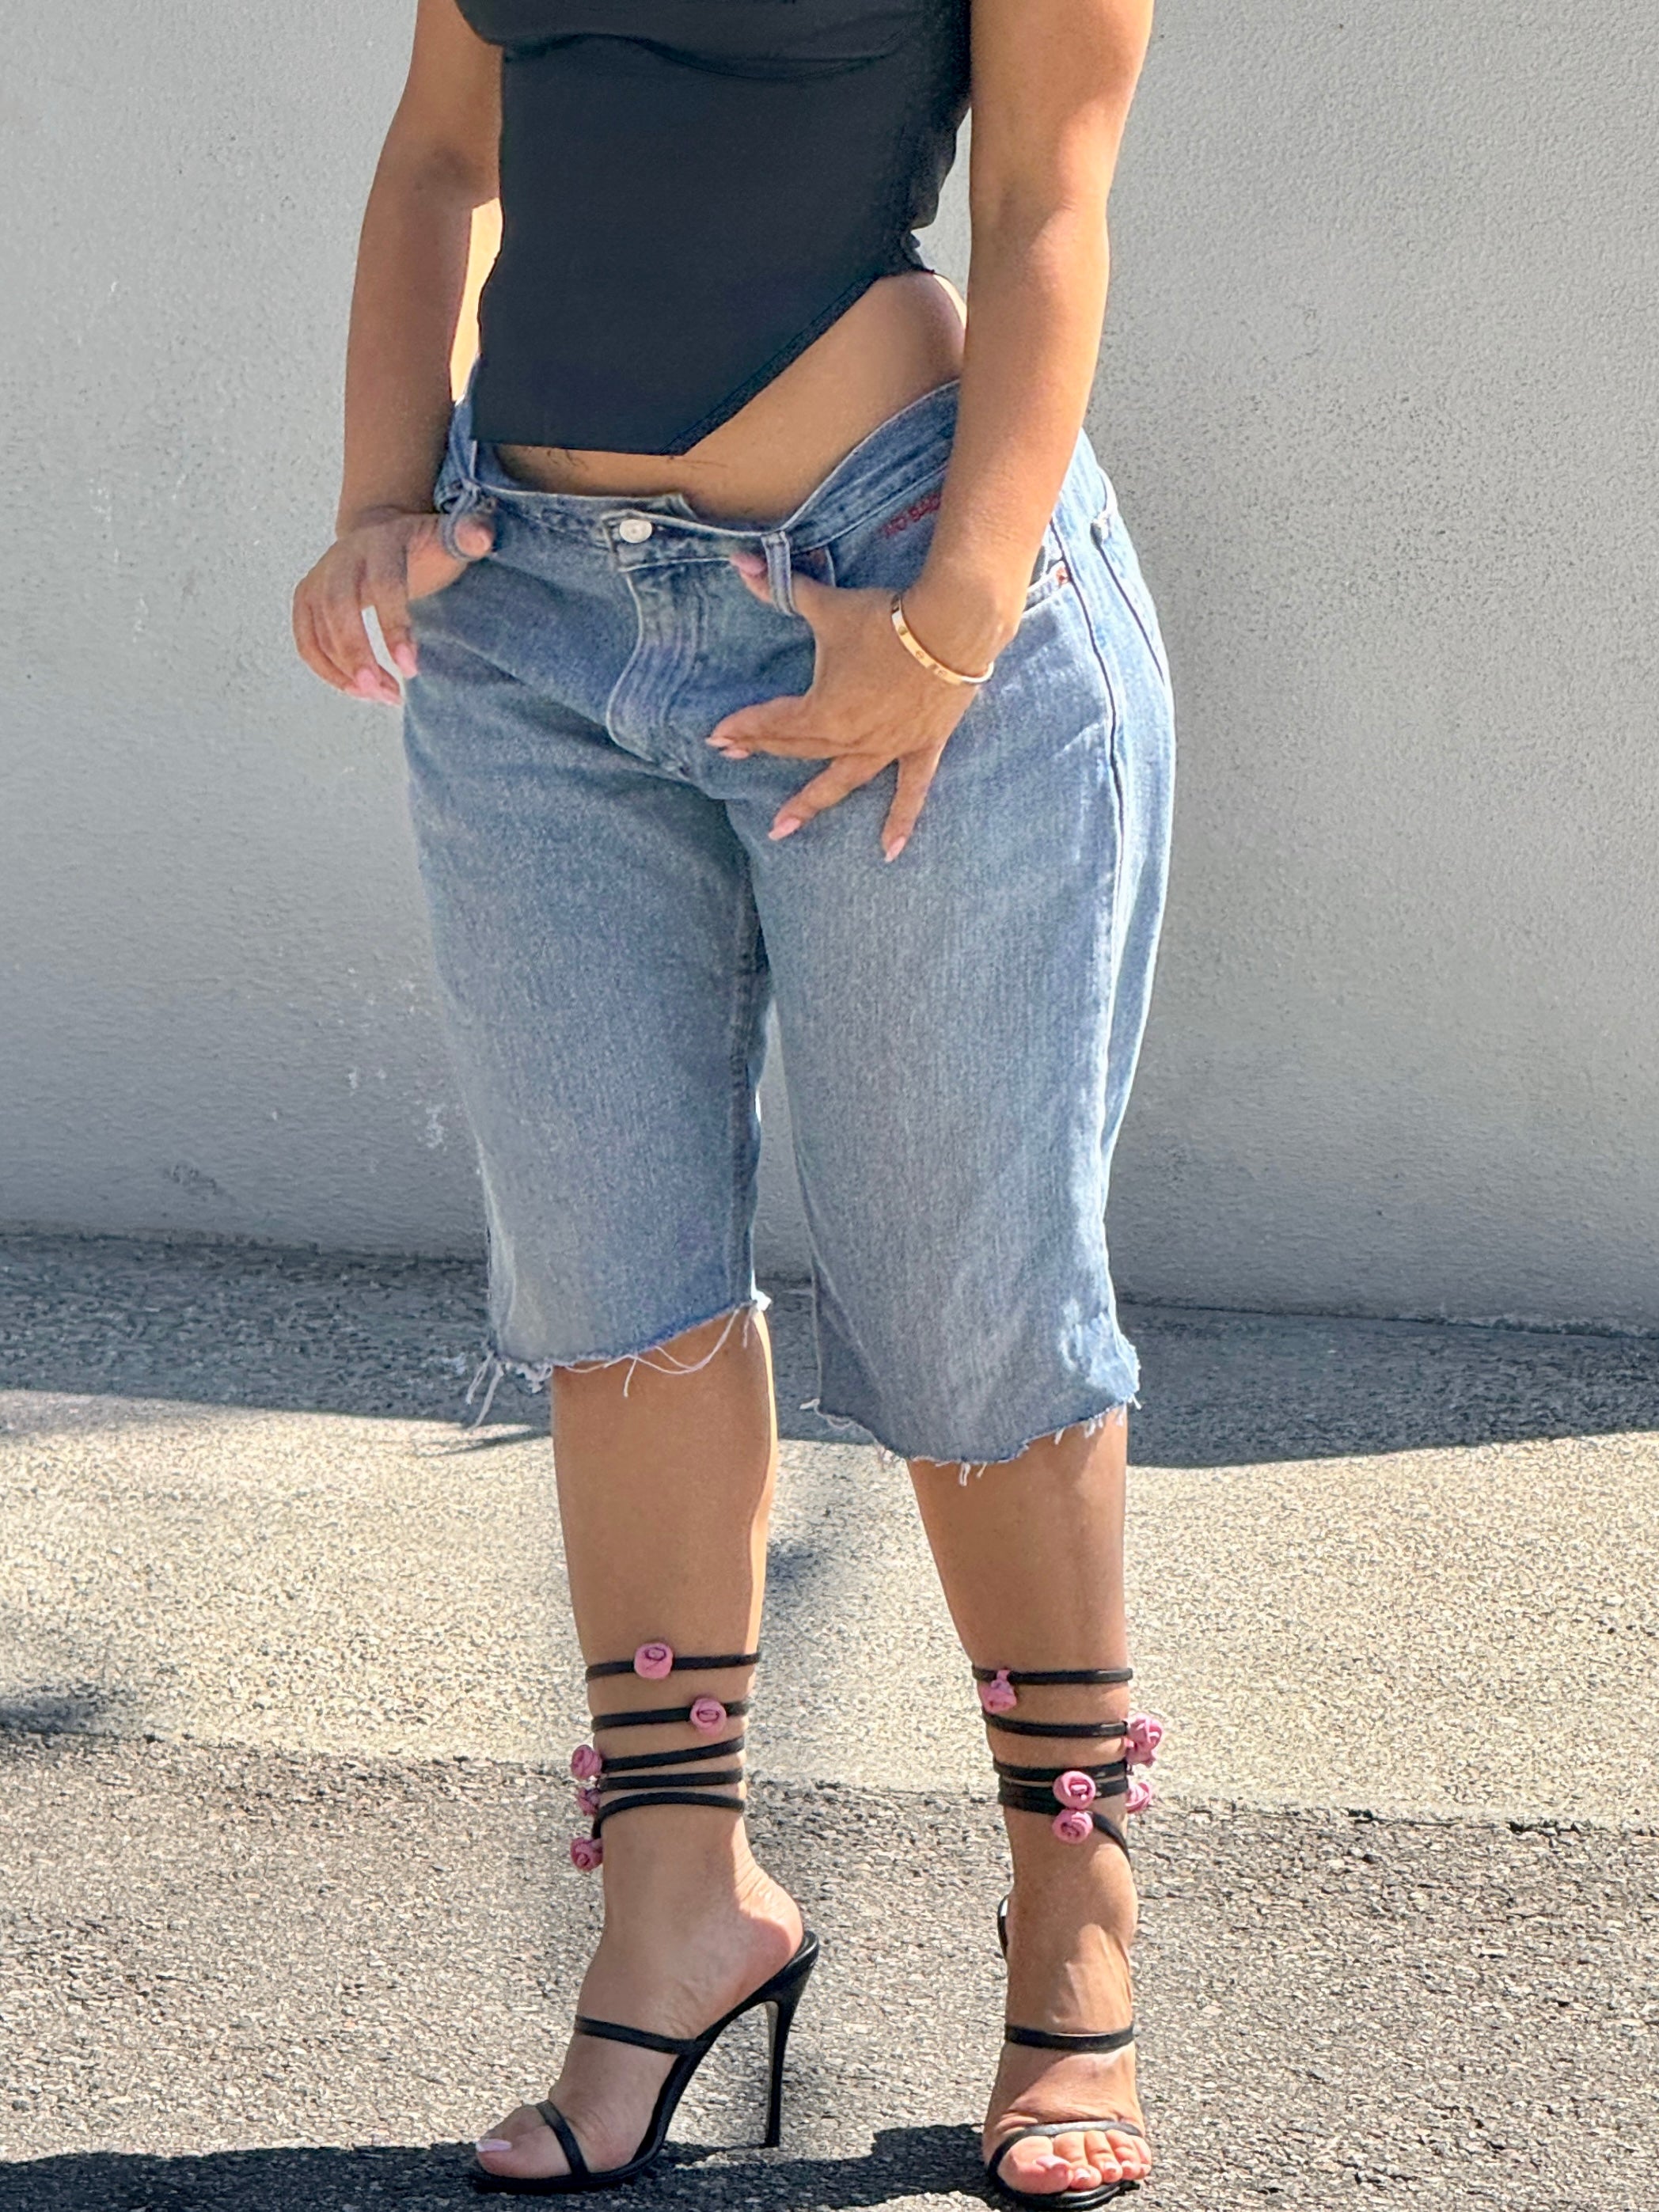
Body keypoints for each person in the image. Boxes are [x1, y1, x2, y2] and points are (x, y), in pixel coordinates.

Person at [292, 0, 1173, 2199]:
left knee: (970, 1312)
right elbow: (441, 152)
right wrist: (379, 499)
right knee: (616, 1292)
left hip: (893, 593)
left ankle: (1072, 1908)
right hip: (525, 626)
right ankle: (681, 1909)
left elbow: (1048, 199)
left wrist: (956, 620)